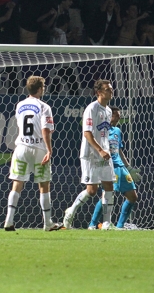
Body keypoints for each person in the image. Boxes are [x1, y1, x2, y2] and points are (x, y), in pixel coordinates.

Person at [3, 76, 63, 232]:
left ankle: (9, 221)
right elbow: (45, 129)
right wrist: (49, 150)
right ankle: (47, 223)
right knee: (43, 185)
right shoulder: (44, 107)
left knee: (17, 183)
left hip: (21, 147)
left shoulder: (20, 105)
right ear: (40, 88)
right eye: (43, 86)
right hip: (39, 149)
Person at [63, 79, 116, 230]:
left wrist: (106, 149)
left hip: (104, 153)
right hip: (91, 154)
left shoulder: (108, 111)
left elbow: (103, 133)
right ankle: (70, 212)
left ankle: (106, 223)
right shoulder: (91, 108)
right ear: (99, 92)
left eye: (111, 89)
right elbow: (87, 133)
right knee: (92, 191)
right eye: (107, 89)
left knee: (109, 186)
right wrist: (100, 150)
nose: (111, 91)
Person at [88, 106, 141, 230]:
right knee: (107, 196)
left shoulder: (117, 131)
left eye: (119, 115)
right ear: (109, 116)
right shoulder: (101, 130)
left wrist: (128, 167)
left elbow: (119, 150)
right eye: (116, 115)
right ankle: (92, 224)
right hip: (108, 166)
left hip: (121, 167)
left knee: (133, 196)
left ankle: (119, 226)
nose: (119, 117)